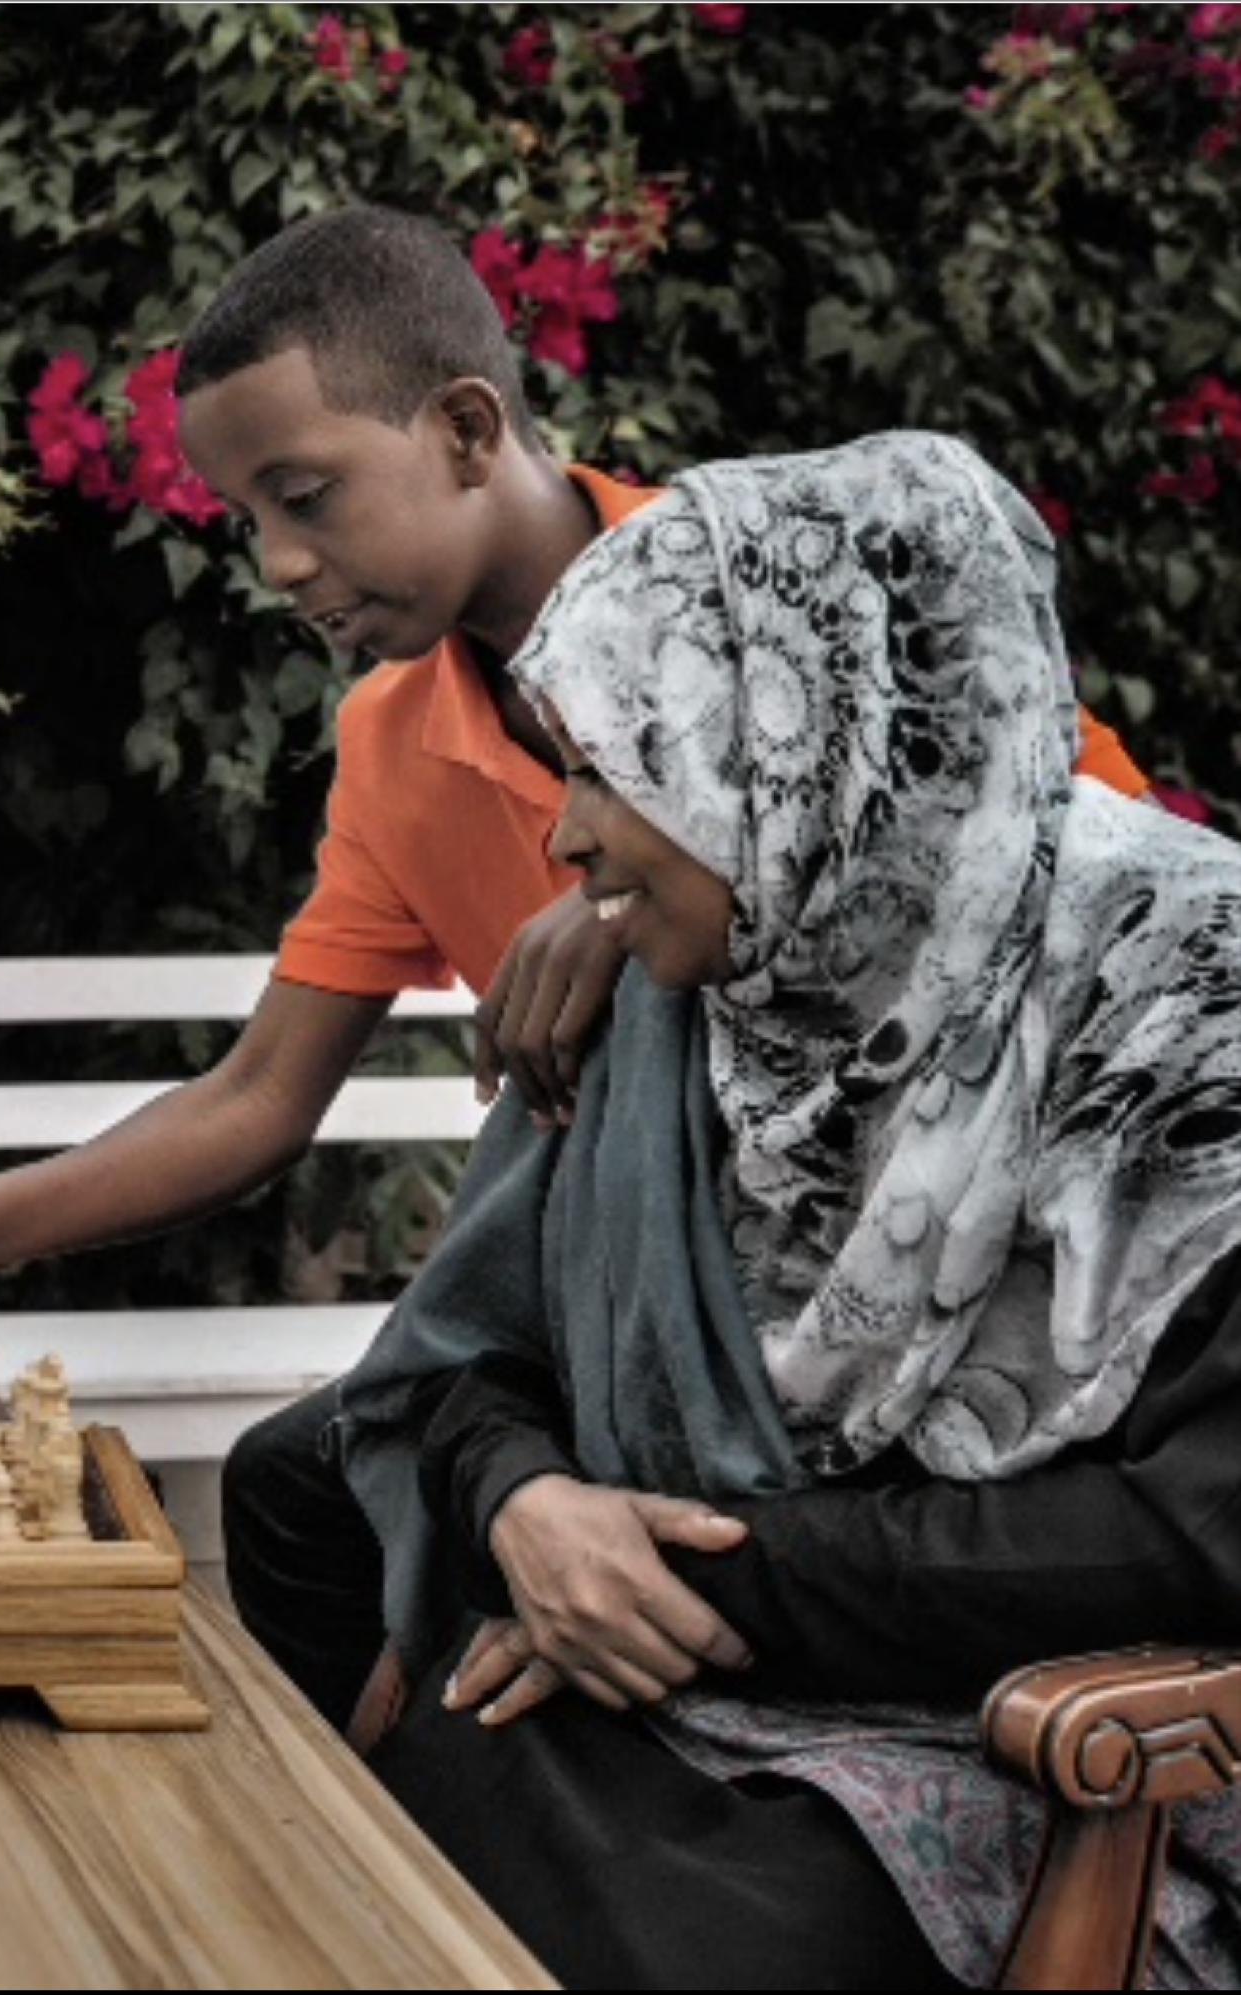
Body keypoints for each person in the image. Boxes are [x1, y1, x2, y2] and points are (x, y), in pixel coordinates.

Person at [0, 205, 1147, 1376]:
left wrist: (636, 913)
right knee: (315, 1495)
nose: (278, 567)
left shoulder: (782, 599)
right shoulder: (390, 744)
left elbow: (1074, 886)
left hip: (986, 1257)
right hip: (667, 1293)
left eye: (303, 498)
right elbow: (256, 1097)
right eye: (248, 518)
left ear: (463, 428)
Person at [239, 432, 1241, 1988]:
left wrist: (683, 1579)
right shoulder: (704, 992)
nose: (564, 844)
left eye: (607, 766)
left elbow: (1189, 1533)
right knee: (379, 1832)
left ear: (792, 742)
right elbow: (468, 1356)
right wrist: (527, 1506)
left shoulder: (1185, 1007)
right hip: (677, 1668)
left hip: (1026, 1717)